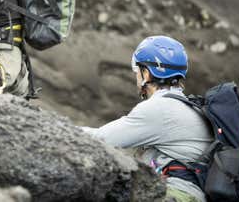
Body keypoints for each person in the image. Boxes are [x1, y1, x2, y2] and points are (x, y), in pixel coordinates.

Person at [80, 36, 213, 202]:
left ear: (146, 73)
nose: (136, 76)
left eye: (137, 71)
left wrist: (61, 127)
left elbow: (101, 139)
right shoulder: (189, 106)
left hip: (177, 195)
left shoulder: (161, 109)